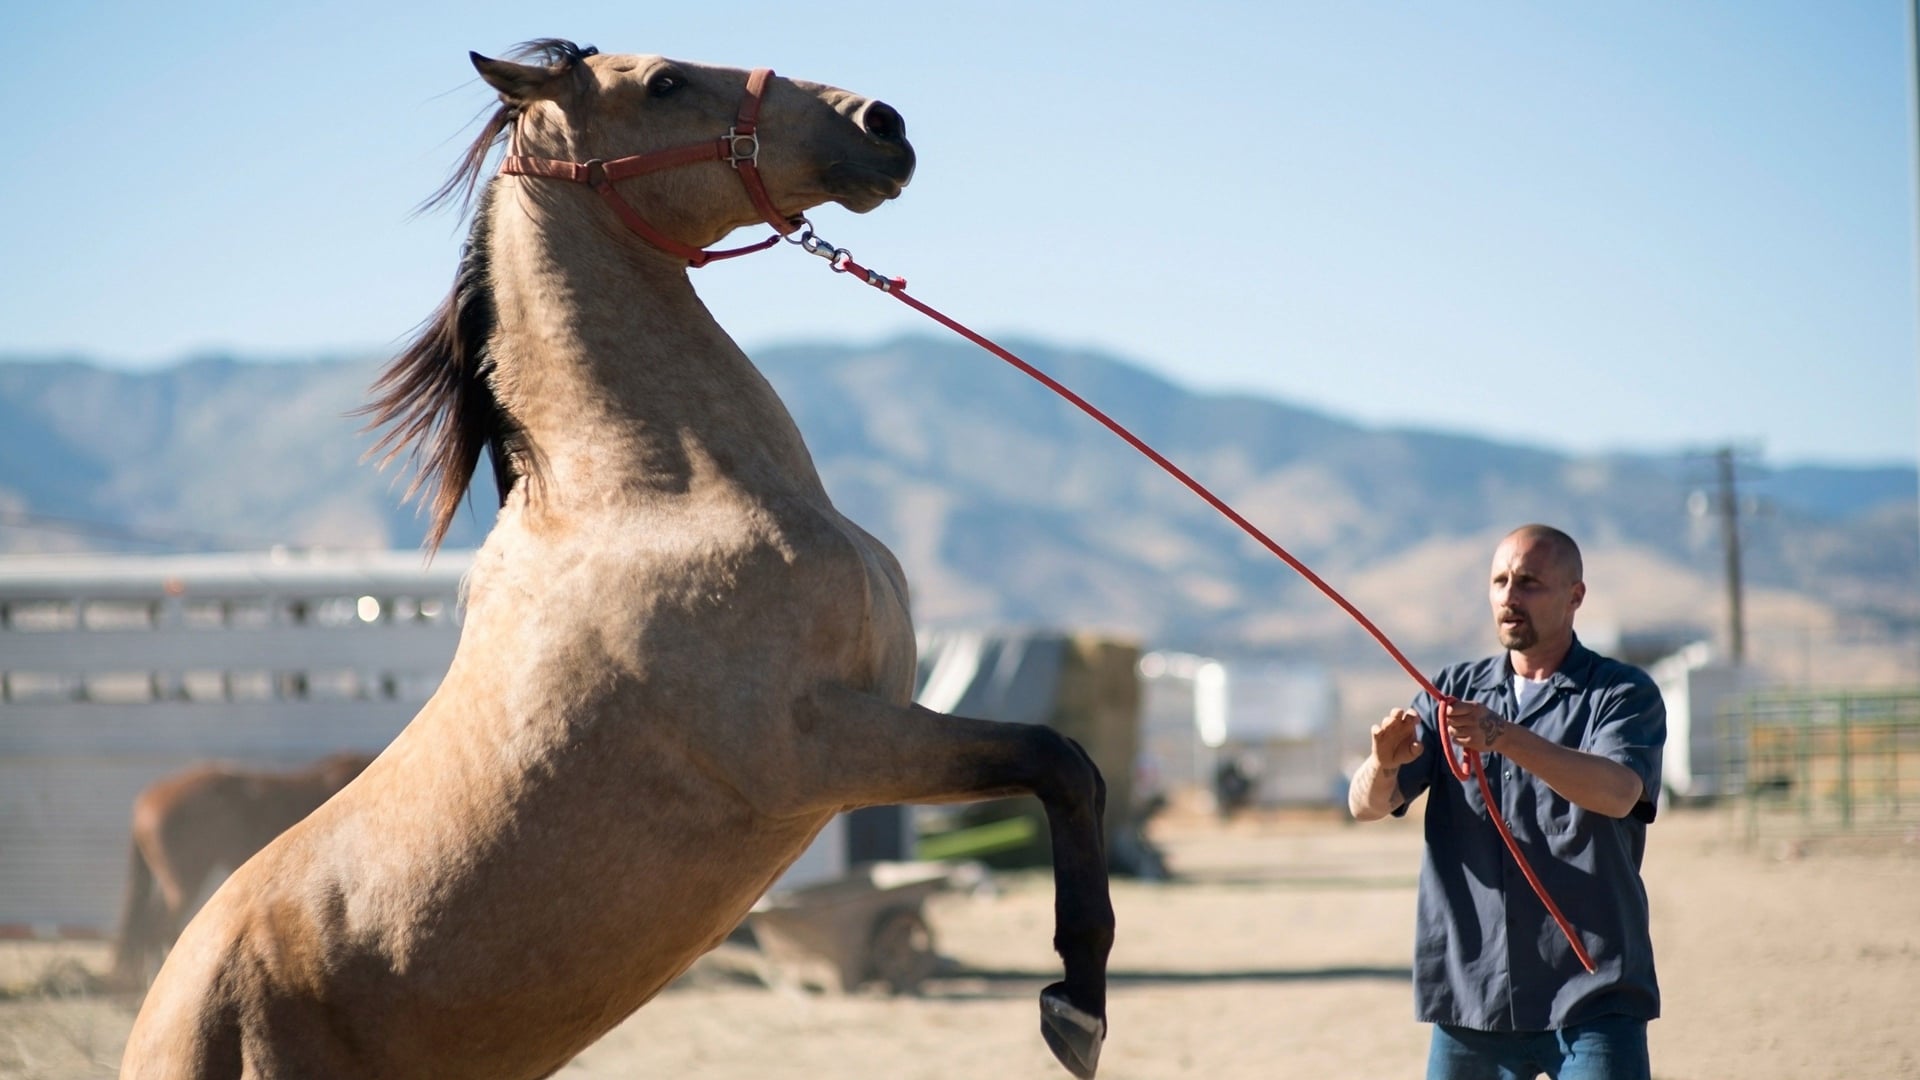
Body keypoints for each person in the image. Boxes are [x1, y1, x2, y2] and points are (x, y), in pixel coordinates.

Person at [1348, 524, 1666, 1080]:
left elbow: (1618, 793)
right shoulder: (1449, 693)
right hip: (1474, 1000)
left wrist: (1504, 737)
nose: (1510, 597)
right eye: (1500, 581)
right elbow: (1365, 805)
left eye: (1530, 583)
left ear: (1575, 596)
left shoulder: (1621, 694)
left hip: (1592, 997)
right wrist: (1382, 763)